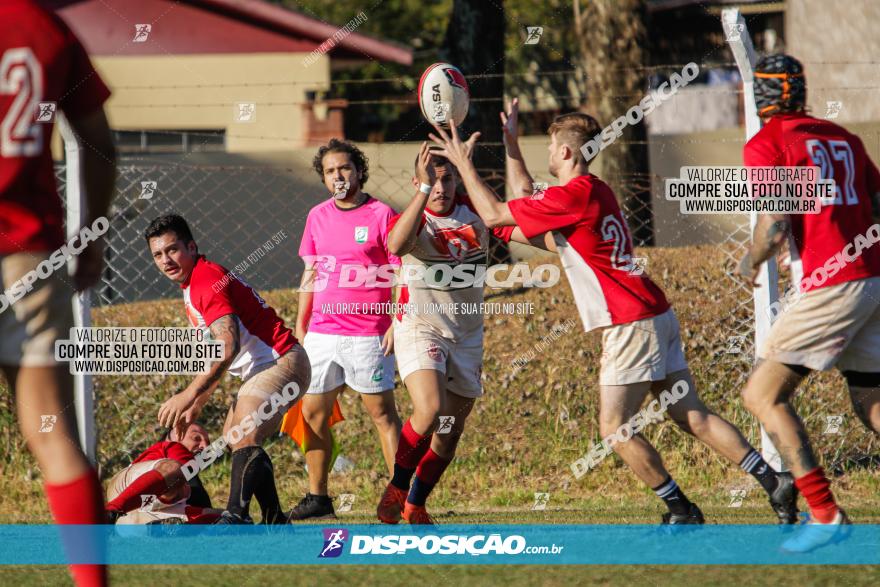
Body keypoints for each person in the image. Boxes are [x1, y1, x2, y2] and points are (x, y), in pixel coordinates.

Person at [426, 100, 798, 525]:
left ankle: (680, 507)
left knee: (614, 429)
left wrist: (462, 164)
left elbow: (497, 213)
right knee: (690, 414)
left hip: (629, 322)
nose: (547, 153)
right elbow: (525, 204)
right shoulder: (591, 190)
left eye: (549, 146)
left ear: (566, 153)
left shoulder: (574, 195)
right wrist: (511, 144)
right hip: (654, 312)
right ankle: (774, 482)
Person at [735, 54, 880, 551]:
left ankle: (824, 514)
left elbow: (775, 224)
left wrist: (751, 260)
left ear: (761, 95)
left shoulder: (768, 143)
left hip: (833, 282)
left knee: (762, 395)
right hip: (873, 278)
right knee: (869, 399)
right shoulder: (844, 137)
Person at [0, 1, 116, 584]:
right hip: (26, 253)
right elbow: (97, 142)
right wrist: (90, 232)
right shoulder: (42, 26)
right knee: (53, 432)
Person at [375, 139, 514, 524]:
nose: (440, 188)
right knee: (431, 409)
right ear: (418, 182)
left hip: (466, 334)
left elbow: (521, 232)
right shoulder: (416, 216)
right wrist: (420, 191)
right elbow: (395, 244)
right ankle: (397, 486)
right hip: (420, 326)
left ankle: (415, 503)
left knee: (449, 432)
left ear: (456, 180)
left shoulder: (476, 214)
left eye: (447, 179)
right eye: (431, 180)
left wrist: (568, 247)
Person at [144, 214, 310, 524]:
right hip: (267, 366)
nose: (166, 260)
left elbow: (227, 346)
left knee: (244, 435)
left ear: (191, 247)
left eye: (172, 250)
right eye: (158, 254)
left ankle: (236, 517)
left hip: (283, 360)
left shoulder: (206, 281)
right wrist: (199, 401)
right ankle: (274, 518)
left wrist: (189, 393)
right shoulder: (195, 282)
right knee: (237, 438)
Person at [290, 139, 402, 520]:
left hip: (370, 332)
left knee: (382, 415)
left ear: (358, 171)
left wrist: (396, 321)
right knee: (313, 414)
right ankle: (318, 499)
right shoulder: (316, 216)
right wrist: (301, 325)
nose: (338, 176)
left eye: (344, 168)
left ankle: (402, 498)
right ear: (324, 179)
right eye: (330, 171)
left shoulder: (382, 213)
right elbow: (310, 273)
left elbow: (401, 271)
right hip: (323, 332)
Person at [106, 423, 222, 524]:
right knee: (176, 470)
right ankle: (109, 512)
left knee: (226, 518)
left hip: (140, 516)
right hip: (126, 490)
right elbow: (182, 473)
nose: (205, 446)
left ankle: (155, 530)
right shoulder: (172, 447)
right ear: (177, 432)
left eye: (207, 443)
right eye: (196, 438)